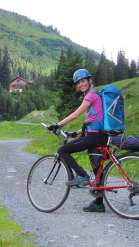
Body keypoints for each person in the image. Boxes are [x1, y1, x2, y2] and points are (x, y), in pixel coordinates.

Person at [47, 68, 107, 213]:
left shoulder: (91, 96)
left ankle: (81, 175)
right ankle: (99, 203)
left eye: (83, 81)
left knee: (62, 150)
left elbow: (75, 115)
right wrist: (77, 132)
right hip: (99, 135)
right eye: (78, 83)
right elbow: (92, 122)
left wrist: (58, 124)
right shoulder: (96, 96)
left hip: (95, 137)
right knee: (97, 169)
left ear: (89, 80)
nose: (81, 84)